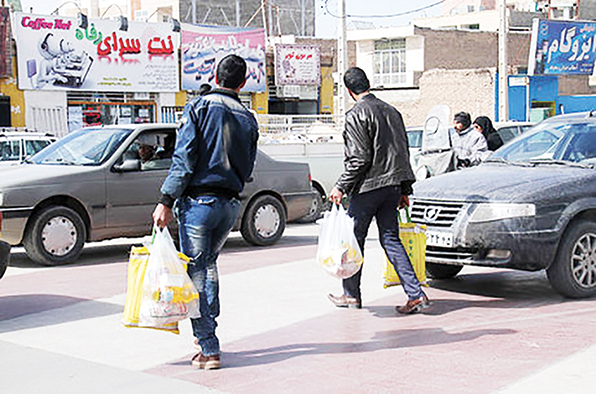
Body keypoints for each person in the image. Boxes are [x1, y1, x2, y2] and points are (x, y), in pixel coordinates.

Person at [152, 54, 259, 370]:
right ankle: (206, 335)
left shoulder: (197, 107)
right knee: (207, 267)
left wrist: (166, 199)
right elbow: (248, 167)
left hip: (199, 203)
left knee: (199, 271)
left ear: (215, 75)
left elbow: (183, 160)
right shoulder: (248, 117)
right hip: (229, 204)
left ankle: (208, 345)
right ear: (242, 83)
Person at [327, 67, 430, 314]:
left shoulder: (356, 115)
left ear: (349, 91)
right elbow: (402, 152)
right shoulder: (392, 112)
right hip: (392, 188)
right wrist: (404, 189)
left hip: (368, 188)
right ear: (368, 84)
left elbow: (359, 159)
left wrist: (341, 186)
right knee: (391, 240)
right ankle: (415, 293)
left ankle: (351, 295)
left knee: (354, 242)